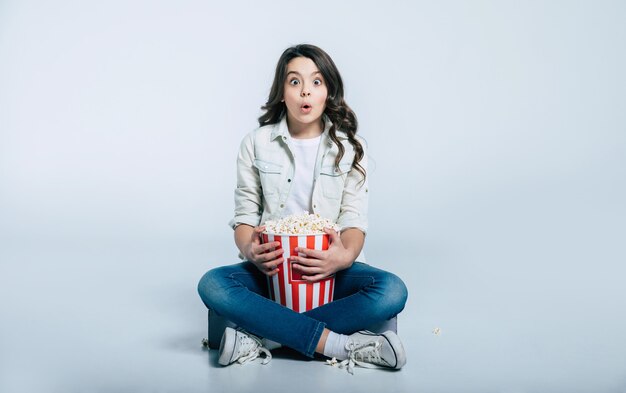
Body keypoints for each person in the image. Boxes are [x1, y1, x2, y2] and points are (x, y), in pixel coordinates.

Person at [197, 44, 408, 373]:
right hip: (273, 271)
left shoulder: (352, 147)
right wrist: (249, 250)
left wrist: (343, 257)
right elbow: (245, 217)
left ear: (329, 92)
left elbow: (354, 220)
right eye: (294, 82)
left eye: (317, 82)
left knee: (392, 290)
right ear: (281, 92)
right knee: (213, 284)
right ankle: (342, 344)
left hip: (332, 271)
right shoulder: (256, 143)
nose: (305, 90)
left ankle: (262, 338)